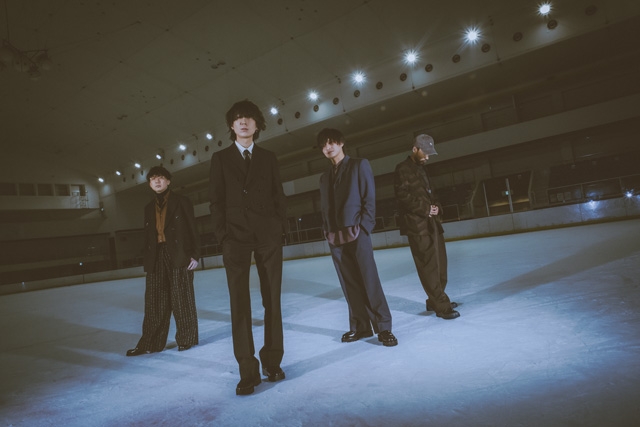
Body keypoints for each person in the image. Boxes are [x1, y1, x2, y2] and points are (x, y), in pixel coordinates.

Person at [209, 100, 288, 395]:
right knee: (239, 303)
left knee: (272, 300)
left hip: (268, 236)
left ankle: (273, 362)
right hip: (235, 238)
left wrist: (279, 228)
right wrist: (223, 236)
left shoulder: (268, 157)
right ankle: (247, 370)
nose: (244, 122)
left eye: (249, 118)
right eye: (238, 118)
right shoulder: (220, 158)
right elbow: (216, 200)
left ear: (257, 125)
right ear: (232, 126)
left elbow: (278, 195)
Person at [317, 128, 398, 347]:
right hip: (335, 236)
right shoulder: (324, 178)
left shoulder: (359, 165)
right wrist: (327, 230)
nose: (328, 148)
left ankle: (384, 328)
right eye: (324, 145)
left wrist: (364, 228)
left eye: (331, 143)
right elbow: (325, 207)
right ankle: (360, 326)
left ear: (341, 143)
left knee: (369, 280)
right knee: (349, 284)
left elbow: (369, 197)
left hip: (357, 231)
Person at [126, 166, 200, 356]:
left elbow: (192, 228)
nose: (156, 181)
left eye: (160, 177)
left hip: (179, 254)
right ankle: (150, 343)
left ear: (168, 181)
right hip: (156, 256)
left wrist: (195, 254)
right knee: (154, 301)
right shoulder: (148, 208)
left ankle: (186, 339)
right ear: (150, 184)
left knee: (181, 298)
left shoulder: (182, 201)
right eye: (152, 179)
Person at [394, 134, 460, 320]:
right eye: (425, 153)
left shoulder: (422, 169)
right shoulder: (402, 169)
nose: (428, 157)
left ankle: (434, 300)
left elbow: (432, 194)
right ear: (415, 149)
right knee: (429, 268)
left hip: (432, 223)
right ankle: (441, 305)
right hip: (417, 227)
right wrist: (425, 209)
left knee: (440, 266)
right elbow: (402, 196)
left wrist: (436, 207)